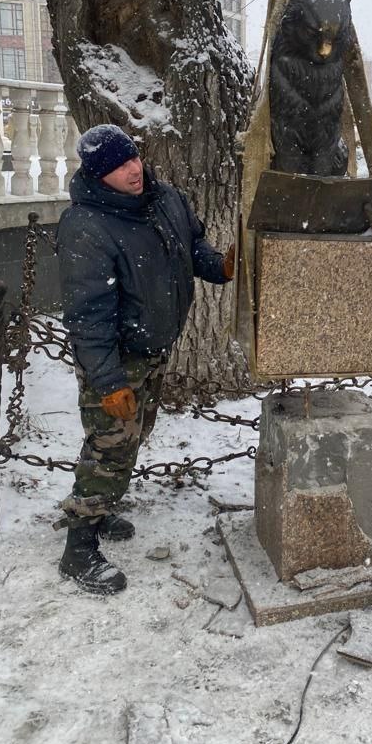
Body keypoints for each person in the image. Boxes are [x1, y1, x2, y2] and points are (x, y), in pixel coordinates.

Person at [55, 124, 234, 595]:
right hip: (115, 358)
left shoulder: (164, 198)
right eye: (117, 166)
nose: (133, 169)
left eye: (132, 157)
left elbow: (193, 245)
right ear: (97, 175)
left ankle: (104, 507)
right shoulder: (86, 226)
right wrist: (108, 380)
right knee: (109, 446)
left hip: (153, 348)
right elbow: (88, 314)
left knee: (134, 436)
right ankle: (78, 548)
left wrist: (220, 266)